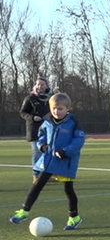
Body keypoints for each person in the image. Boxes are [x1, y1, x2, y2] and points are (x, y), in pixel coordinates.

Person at [10, 93, 86, 230]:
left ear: (67, 109)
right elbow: (42, 136)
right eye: (54, 108)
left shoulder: (73, 123)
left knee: (68, 190)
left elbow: (79, 141)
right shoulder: (47, 122)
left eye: (60, 109)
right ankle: (24, 211)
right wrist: (42, 146)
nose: (57, 111)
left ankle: (74, 217)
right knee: (37, 184)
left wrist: (65, 151)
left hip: (65, 162)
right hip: (49, 161)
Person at [19, 76, 52, 182]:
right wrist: (32, 118)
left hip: (48, 130)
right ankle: (36, 176)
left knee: (47, 152)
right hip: (34, 130)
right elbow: (23, 113)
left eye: (42, 84)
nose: (40, 86)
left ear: (46, 86)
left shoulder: (50, 98)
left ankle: (46, 175)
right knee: (37, 152)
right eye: (38, 84)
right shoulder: (30, 98)